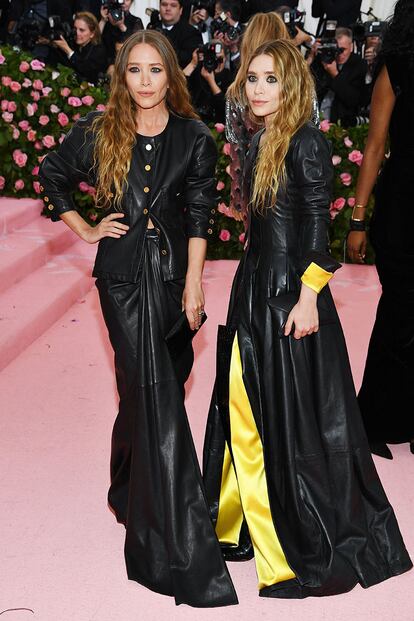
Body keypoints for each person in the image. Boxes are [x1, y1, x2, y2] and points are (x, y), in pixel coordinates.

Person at [202, 38, 412, 597]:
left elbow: (320, 230)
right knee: (246, 403)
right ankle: (242, 518)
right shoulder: (260, 138)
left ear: (292, 83)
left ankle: (292, 531)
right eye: (252, 79)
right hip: (253, 288)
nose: (260, 89)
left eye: (272, 79)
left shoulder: (305, 142)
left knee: (290, 416)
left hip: (289, 296)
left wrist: (307, 297)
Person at [37, 29, 237, 608]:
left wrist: (196, 282)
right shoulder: (101, 132)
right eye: (135, 70)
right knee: (155, 394)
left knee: (152, 387)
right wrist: (87, 227)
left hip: (175, 279)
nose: (145, 81)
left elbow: (200, 214)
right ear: (121, 76)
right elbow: (51, 173)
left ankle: (127, 488)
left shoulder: (195, 136)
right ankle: (169, 532)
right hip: (122, 278)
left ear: (171, 75)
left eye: (156, 70)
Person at [347, 0, 414, 460]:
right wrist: (357, 218)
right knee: (399, 313)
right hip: (403, 206)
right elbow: (373, 146)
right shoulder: (398, 66)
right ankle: (370, 419)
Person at [308, 26, 367, 126]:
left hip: (339, 123)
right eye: (336, 49)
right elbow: (309, 87)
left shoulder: (358, 65)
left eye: (342, 50)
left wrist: (335, 74)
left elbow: (353, 100)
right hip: (315, 119)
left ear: (351, 46)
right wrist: (312, 56)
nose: (339, 54)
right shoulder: (323, 59)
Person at [51, 11, 108, 84]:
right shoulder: (73, 44)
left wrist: (68, 51)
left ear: (92, 34)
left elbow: (87, 72)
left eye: (82, 30)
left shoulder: (99, 50)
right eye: (75, 29)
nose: (77, 33)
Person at [156, 0, 202, 67]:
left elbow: (188, 60)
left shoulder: (192, 33)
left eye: (173, 5)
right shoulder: (153, 27)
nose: (168, 8)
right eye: (164, 4)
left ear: (180, 10)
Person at [99, 0, 143, 68]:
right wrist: (103, 20)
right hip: (105, 63)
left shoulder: (135, 21)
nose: (123, 2)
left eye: (127, 0)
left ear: (132, 2)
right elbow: (95, 41)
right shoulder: (108, 21)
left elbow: (137, 44)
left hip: (127, 63)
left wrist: (122, 26)